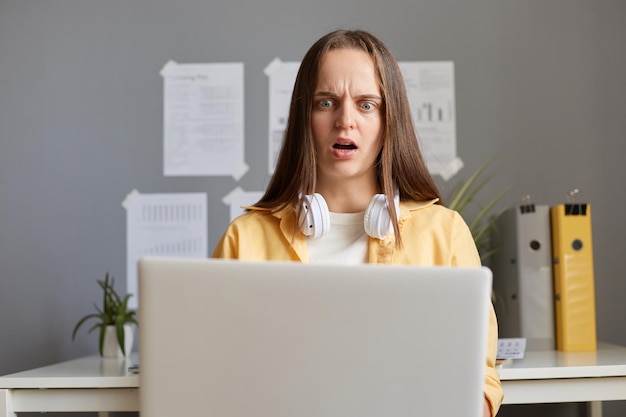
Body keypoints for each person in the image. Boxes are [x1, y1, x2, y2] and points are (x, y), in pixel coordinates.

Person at [212, 29, 503, 416]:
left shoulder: (444, 234)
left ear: (389, 120)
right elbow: (211, 377)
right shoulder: (243, 239)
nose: (344, 120)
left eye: (366, 105)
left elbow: (480, 388)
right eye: (326, 102)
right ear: (305, 118)